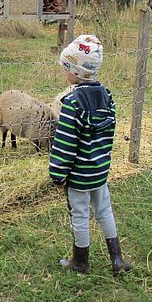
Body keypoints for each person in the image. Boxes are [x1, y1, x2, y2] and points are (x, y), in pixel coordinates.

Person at [49, 34, 132, 275]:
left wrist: (57, 174)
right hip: (99, 170)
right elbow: (108, 135)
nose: (64, 73)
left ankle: (81, 262)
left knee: (80, 214)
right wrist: (102, 162)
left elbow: (66, 142)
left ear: (75, 71)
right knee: (104, 210)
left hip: (79, 174)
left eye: (66, 68)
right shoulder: (107, 96)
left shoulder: (72, 102)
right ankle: (117, 260)